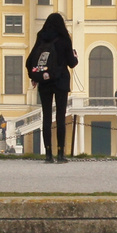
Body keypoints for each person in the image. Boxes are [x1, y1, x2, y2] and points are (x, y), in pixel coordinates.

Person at [27, 12, 79, 163]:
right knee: (60, 118)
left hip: (45, 82)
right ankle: (61, 154)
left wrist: (35, 76)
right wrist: (75, 57)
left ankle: (48, 155)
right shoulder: (64, 38)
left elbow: (31, 60)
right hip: (61, 80)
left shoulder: (41, 36)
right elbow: (71, 63)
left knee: (47, 118)